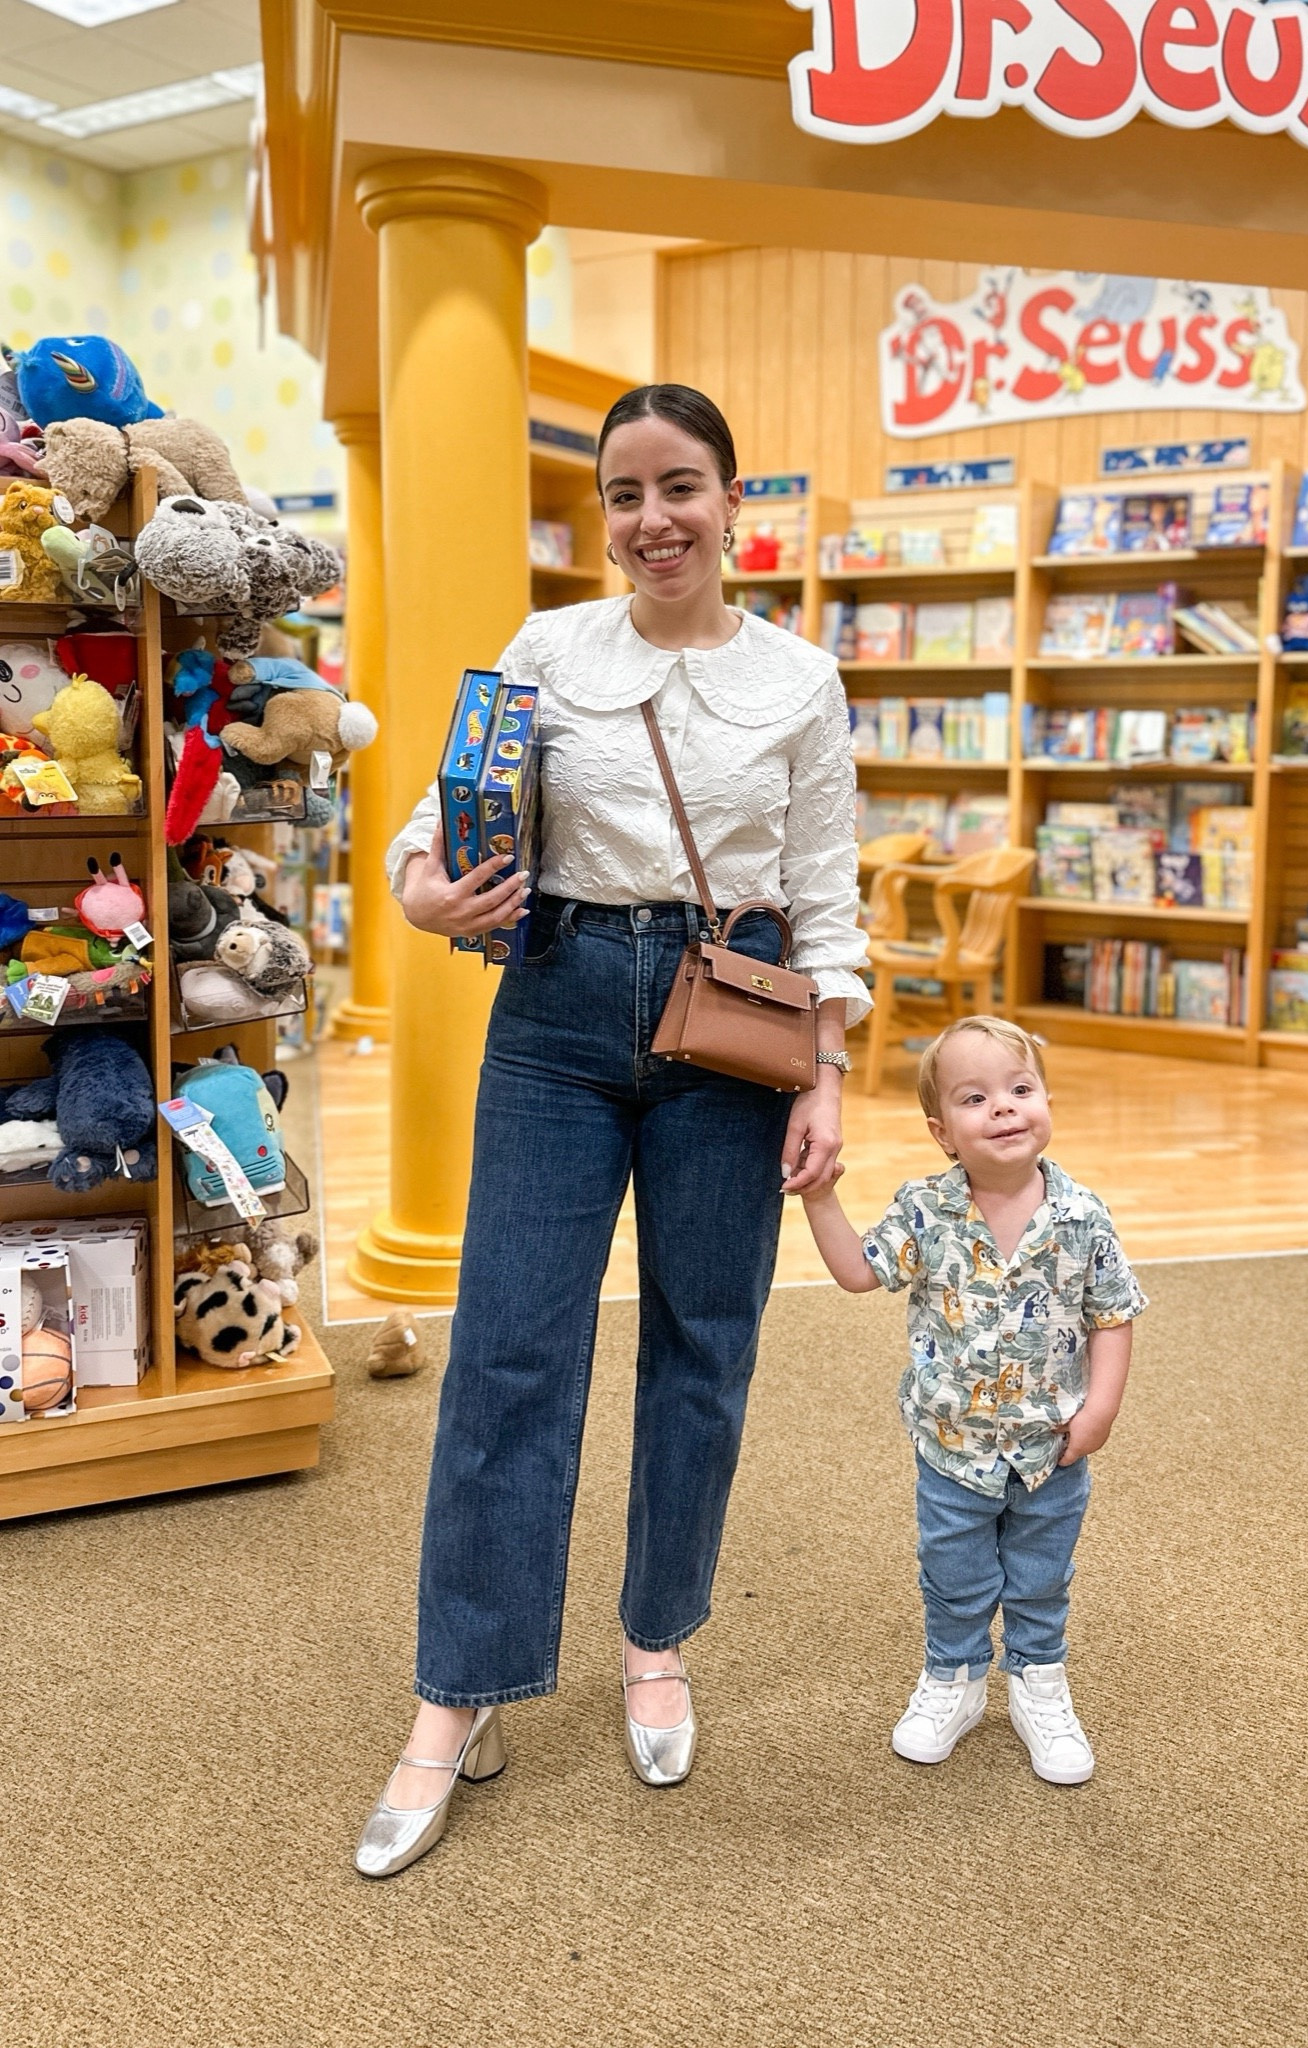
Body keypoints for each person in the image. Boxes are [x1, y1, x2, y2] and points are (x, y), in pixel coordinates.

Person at [355, 385, 868, 1878]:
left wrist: (828, 1075)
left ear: (730, 498)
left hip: (738, 1016)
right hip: (560, 1016)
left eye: (682, 487)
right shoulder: (545, 650)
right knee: (510, 1345)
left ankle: (658, 1640)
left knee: (705, 1342)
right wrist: (422, 895)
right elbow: (430, 829)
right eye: (628, 492)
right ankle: (461, 1689)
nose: (655, 519)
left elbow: (828, 898)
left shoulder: (802, 679)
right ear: (606, 512)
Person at [797, 1015, 1145, 1780]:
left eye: (1021, 1089)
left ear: (1047, 1101)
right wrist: (820, 1198)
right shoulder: (928, 1211)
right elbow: (861, 1272)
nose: (1005, 1109)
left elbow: (1113, 1315)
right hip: (952, 1451)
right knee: (953, 1576)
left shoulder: (1084, 1217)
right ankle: (953, 1679)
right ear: (942, 1131)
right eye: (976, 1098)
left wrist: (1103, 1409)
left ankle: (1038, 1681)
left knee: (1041, 1576)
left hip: (1052, 1450)